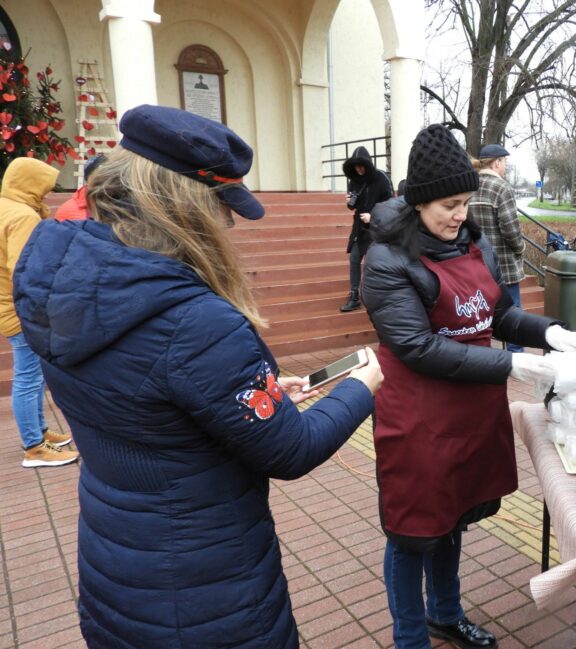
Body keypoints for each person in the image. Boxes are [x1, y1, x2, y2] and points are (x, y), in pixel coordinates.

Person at [12, 104, 384, 648]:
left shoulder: (60, 279)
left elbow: (147, 396)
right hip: (206, 591)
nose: (228, 223)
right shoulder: (194, 321)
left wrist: (240, 391)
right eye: (221, 206)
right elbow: (292, 449)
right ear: (182, 207)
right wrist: (361, 385)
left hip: (117, 564)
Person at [361, 124, 576, 649]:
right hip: (418, 414)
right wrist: (512, 369)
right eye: (448, 205)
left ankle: (445, 613)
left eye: (465, 202)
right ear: (417, 202)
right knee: (414, 532)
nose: (460, 214)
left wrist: (549, 332)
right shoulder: (387, 260)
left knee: (453, 518)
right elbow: (417, 347)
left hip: (470, 409)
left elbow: (498, 315)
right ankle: (410, 637)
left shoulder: (470, 243)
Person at [1, 157, 79, 467]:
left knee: (30, 375)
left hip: (8, 304)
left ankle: (41, 432)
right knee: (29, 377)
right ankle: (34, 447)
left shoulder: (6, 206)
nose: (46, 196)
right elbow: (27, 268)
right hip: (20, 309)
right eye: (43, 189)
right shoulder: (21, 216)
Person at [469, 143, 526, 353]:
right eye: (504, 163)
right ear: (497, 162)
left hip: (476, 264)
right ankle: (515, 355)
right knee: (512, 313)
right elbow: (511, 230)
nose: (505, 168)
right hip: (504, 264)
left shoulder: (471, 185)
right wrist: (520, 249)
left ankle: (484, 355)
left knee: (481, 314)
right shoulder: (502, 188)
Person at [340, 145, 392, 312]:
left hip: (378, 227)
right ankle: (354, 296)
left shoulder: (381, 178)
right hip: (359, 227)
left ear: (368, 164)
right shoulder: (354, 180)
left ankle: (377, 296)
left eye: (361, 166)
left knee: (374, 263)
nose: (359, 169)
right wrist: (349, 202)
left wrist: (374, 216)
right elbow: (352, 207)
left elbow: (392, 205)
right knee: (354, 259)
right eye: (356, 166)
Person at [54, 154, 105, 221]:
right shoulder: (68, 210)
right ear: (87, 180)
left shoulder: (120, 206)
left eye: (108, 176)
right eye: (97, 178)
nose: (104, 182)